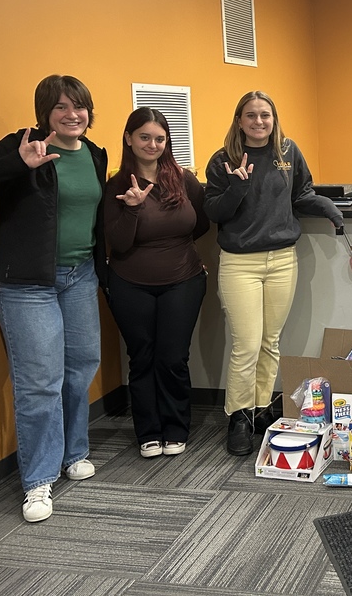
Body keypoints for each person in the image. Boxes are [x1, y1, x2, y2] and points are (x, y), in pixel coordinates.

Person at [0, 75, 106, 523]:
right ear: (44, 113)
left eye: (79, 106)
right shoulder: (23, 143)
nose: (72, 114)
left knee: (80, 366)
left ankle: (74, 452)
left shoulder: (95, 153)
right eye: (61, 107)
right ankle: (39, 479)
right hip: (26, 282)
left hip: (80, 275)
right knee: (39, 381)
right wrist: (17, 163)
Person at [204, 91, 343, 456]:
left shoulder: (287, 152)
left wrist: (328, 207)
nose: (259, 121)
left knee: (270, 342)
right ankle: (238, 415)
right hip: (240, 263)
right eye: (251, 115)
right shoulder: (223, 160)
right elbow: (214, 212)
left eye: (265, 115)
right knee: (247, 345)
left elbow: (302, 194)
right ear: (239, 121)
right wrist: (236, 190)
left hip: (282, 259)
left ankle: (261, 407)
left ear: (274, 119)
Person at [105, 108, 209, 460]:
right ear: (129, 138)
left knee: (173, 357)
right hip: (129, 283)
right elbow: (118, 243)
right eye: (144, 137)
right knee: (142, 357)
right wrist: (133, 209)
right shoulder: (117, 185)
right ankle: (148, 432)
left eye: (159, 139)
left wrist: (178, 249)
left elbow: (200, 224)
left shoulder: (184, 180)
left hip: (184, 280)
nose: (152, 144)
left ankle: (176, 428)